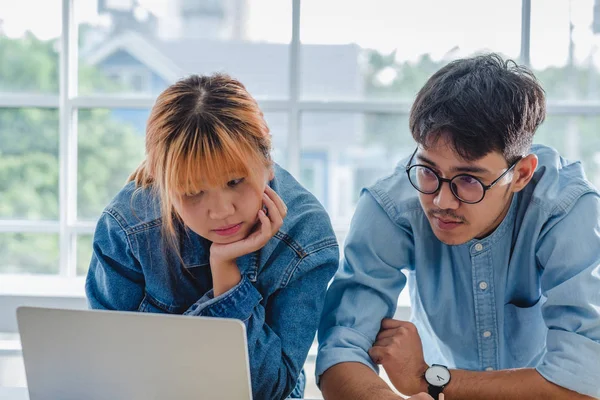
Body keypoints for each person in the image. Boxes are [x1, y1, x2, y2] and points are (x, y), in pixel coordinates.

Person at [316, 53, 600, 399]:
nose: (441, 202)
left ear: (521, 174)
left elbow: (583, 384)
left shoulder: (567, 210)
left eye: (468, 179)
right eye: (428, 169)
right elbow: (340, 351)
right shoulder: (392, 206)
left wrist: (429, 379)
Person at [85, 73, 339, 399]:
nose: (220, 211)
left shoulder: (306, 239)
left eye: (235, 182)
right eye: (192, 192)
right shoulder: (127, 226)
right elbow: (107, 367)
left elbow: (269, 391)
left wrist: (228, 277)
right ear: (162, 185)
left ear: (267, 163)